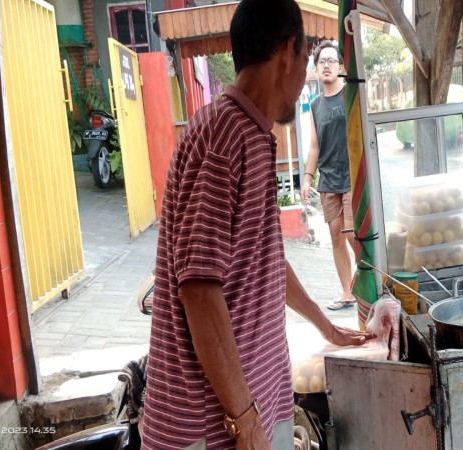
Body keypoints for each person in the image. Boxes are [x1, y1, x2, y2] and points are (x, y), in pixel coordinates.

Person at [141, 2, 372, 449]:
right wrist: (244, 420)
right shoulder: (226, 137)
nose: (306, 74)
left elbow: (263, 262)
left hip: (252, 404)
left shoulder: (250, 133)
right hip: (211, 427)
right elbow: (199, 290)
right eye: (305, 58)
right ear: (286, 52)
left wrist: (325, 326)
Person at [301, 40, 356, 310]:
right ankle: (347, 292)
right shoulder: (315, 105)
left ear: (341, 67)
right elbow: (314, 146)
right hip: (328, 180)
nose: (326, 65)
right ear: (316, 68)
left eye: (331, 60)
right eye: (321, 61)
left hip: (352, 177)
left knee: (353, 235)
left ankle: (368, 285)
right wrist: (307, 178)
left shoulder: (350, 95)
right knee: (336, 236)